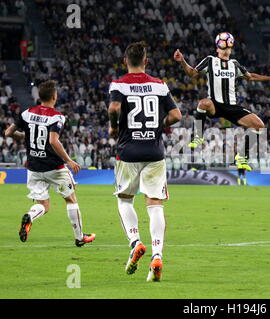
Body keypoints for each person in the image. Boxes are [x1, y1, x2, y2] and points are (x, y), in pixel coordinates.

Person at [108, 42, 182, 282]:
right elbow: (176, 115)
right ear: (146, 62)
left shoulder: (119, 84)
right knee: (155, 204)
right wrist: (156, 127)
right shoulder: (159, 85)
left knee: (124, 200)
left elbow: (114, 107)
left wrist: (113, 126)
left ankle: (135, 241)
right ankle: (157, 254)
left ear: (125, 61)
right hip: (154, 152)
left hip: (128, 151)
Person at [4, 80, 96, 247]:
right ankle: (79, 237)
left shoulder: (26, 113)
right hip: (54, 168)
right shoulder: (57, 117)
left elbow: (9, 132)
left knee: (43, 206)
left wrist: (26, 137)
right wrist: (68, 160)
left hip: (33, 168)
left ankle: (30, 217)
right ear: (54, 96)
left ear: (39, 96)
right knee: (70, 199)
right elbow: (53, 141)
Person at [173, 32, 270, 150]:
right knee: (203, 103)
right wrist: (182, 61)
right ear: (217, 48)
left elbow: (250, 76)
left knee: (259, 126)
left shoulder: (234, 64)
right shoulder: (210, 60)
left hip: (232, 107)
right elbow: (192, 73)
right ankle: (198, 136)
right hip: (215, 105)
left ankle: (242, 157)